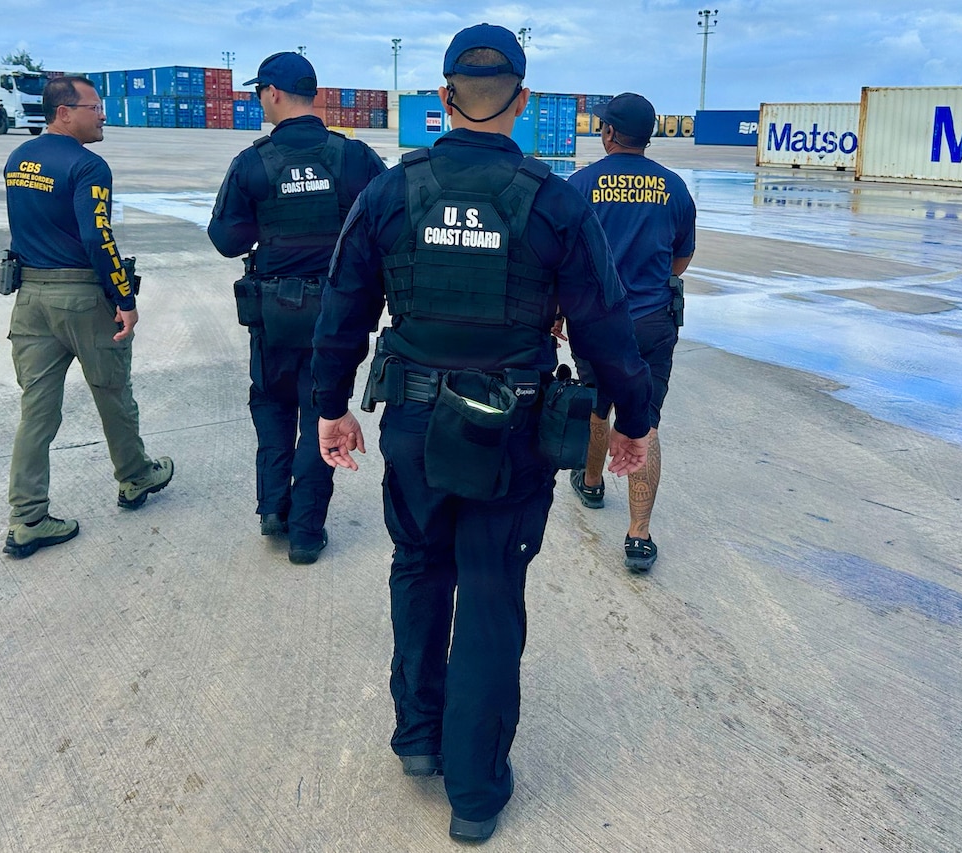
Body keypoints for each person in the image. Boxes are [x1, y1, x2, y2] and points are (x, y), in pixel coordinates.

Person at [311, 24, 652, 843]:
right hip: (513, 429)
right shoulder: (555, 201)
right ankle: (475, 790)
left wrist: (331, 406)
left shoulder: (392, 193)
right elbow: (607, 327)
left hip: (416, 421)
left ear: (443, 97)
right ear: (525, 103)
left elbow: (343, 311)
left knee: (419, 566)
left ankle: (419, 738)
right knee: (493, 594)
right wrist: (633, 422)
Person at [208, 52, 386, 565]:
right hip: (337, 311)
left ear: (273, 93)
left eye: (259, 92)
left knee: (271, 402)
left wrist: (272, 226)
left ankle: (273, 508)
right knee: (323, 410)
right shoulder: (354, 158)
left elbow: (226, 239)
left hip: (275, 310)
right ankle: (307, 532)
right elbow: (383, 227)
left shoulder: (253, 162)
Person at [1, 75, 173, 558]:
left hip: (30, 298)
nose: (102, 115)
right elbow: (98, 238)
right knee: (113, 391)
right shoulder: (88, 165)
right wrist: (124, 297)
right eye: (94, 107)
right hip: (81, 297)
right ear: (63, 112)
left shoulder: (19, 159)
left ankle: (28, 517)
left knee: (37, 411)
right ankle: (136, 477)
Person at [561, 92, 696, 574]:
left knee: (597, 404)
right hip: (653, 320)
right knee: (646, 420)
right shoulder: (675, 189)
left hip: (596, 321)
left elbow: (563, 258)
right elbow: (681, 258)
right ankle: (639, 535)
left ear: (611, 133)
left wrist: (559, 309)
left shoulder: (579, 185)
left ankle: (592, 482)